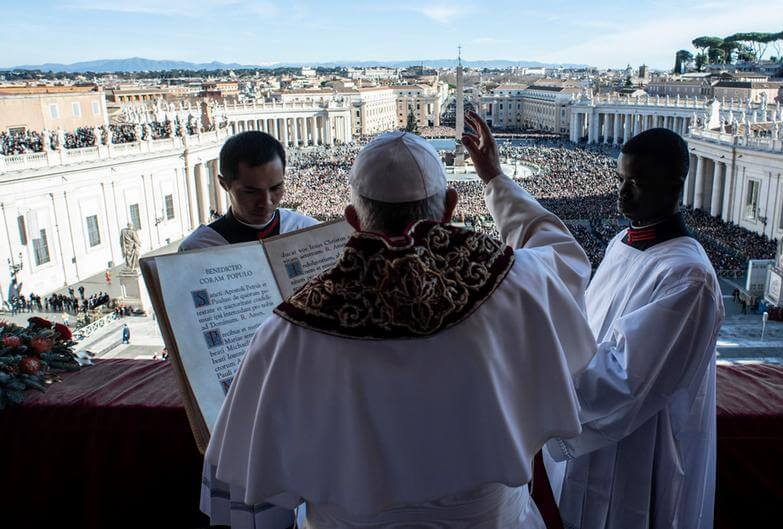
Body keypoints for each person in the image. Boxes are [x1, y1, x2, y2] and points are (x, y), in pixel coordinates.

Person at [201, 115, 596, 528]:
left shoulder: (293, 327)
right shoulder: (515, 281)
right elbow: (565, 258)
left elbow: (247, 463)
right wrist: (496, 179)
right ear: (449, 209)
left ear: (353, 219)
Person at [544, 128, 724, 529]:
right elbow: (588, 330)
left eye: (638, 182)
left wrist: (538, 379)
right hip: (591, 431)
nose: (623, 193)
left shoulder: (688, 277)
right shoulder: (621, 242)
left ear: (675, 186)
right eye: (621, 180)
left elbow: (625, 378)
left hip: (638, 449)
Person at [179, 131, 318, 251]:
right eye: (251, 192)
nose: (266, 202)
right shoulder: (196, 249)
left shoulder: (311, 231)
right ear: (224, 184)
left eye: (276, 188)